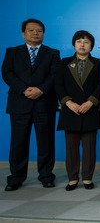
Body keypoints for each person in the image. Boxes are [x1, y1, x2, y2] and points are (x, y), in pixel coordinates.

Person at [2, 18, 59, 191]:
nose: (35, 33)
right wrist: (24, 89)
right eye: (31, 30)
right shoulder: (12, 52)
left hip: (44, 103)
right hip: (20, 103)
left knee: (46, 142)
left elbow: (55, 75)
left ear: (43, 33)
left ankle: (46, 176)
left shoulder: (52, 53)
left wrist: (41, 89)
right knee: (18, 142)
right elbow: (7, 73)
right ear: (23, 33)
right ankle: (16, 177)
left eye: (39, 30)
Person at [55, 30, 100, 191]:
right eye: (79, 41)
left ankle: (87, 178)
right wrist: (68, 103)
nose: (82, 44)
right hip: (70, 110)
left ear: (91, 45)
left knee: (89, 147)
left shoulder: (98, 63)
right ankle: (72, 178)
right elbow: (58, 85)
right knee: (71, 147)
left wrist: (90, 103)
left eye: (86, 42)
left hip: (90, 110)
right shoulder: (64, 62)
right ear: (74, 44)